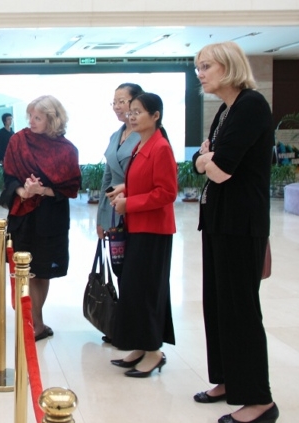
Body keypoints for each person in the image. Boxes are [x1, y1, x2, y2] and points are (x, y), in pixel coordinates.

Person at [192, 41, 278, 423]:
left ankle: (259, 401)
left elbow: (221, 169)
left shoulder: (251, 105)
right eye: (198, 67)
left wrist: (207, 158)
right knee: (217, 306)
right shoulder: (226, 110)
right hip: (218, 221)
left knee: (240, 311)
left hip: (241, 225)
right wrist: (205, 158)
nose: (200, 74)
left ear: (229, 66)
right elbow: (201, 161)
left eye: (206, 66)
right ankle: (228, 380)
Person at [2, 95, 81, 341]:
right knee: (26, 270)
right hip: (23, 216)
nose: (31, 122)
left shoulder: (67, 149)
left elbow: (70, 188)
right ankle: (36, 323)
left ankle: (36, 321)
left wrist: (42, 190)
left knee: (43, 270)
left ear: (52, 120)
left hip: (51, 218)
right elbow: (8, 177)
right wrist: (23, 191)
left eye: (38, 118)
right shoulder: (18, 141)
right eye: (30, 116)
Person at [109, 93, 177, 377]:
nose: (132, 116)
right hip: (137, 227)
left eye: (138, 112)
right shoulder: (141, 144)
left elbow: (167, 192)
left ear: (156, 116)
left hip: (153, 230)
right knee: (134, 290)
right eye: (131, 111)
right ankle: (140, 345)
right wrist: (125, 190)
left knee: (148, 291)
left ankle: (154, 351)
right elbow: (144, 181)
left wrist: (130, 203)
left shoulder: (161, 147)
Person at [97, 83, 144, 343]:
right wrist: (102, 217)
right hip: (115, 214)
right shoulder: (116, 135)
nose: (116, 107)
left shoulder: (146, 134)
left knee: (134, 272)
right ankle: (122, 326)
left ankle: (133, 329)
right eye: (114, 102)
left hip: (136, 210)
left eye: (121, 101)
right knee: (119, 269)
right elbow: (107, 177)